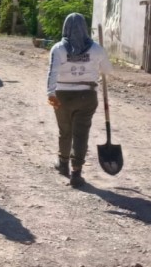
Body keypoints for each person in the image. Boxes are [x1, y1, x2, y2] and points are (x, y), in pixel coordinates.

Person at [46, 12, 113, 188]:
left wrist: (50, 93)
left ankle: (62, 163)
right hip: (87, 95)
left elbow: (52, 72)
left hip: (62, 95)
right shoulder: (96, 48)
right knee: (81, 134)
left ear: (65, 28)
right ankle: (76, 172)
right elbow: (108, 70)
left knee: (65, 130)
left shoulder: (58, 49)